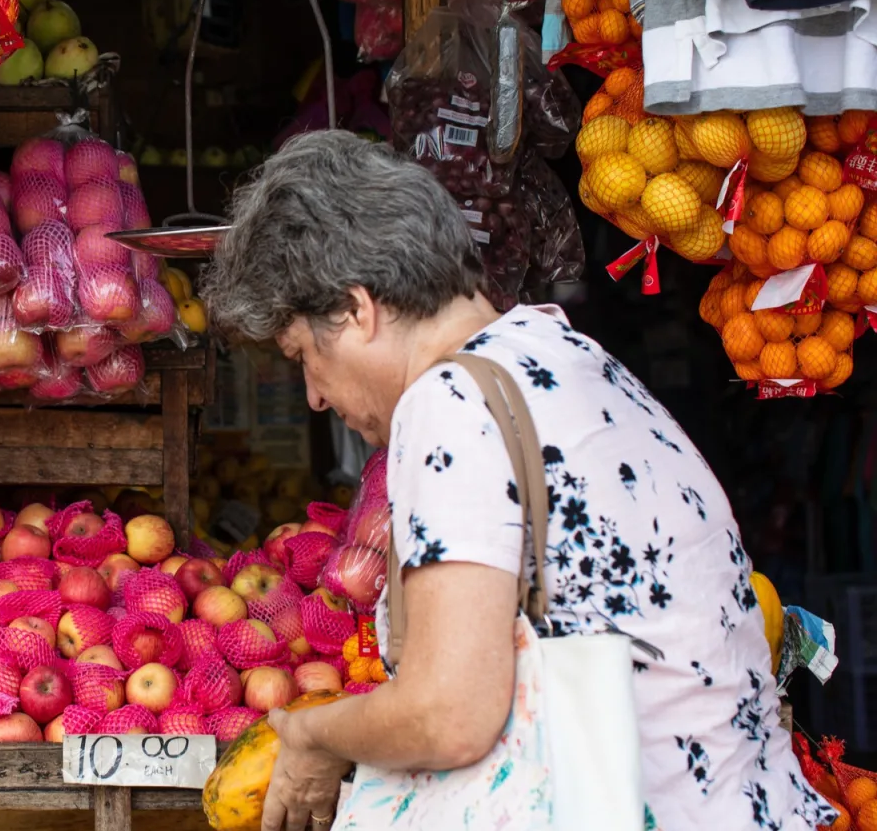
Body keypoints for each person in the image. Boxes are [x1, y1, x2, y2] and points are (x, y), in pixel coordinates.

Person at [197, 131, 836, 831]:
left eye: (302, 356)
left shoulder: (451, 404)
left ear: (356, 311)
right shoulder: (566, 355)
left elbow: (449, 715)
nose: (315, 396)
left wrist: (315, 737)